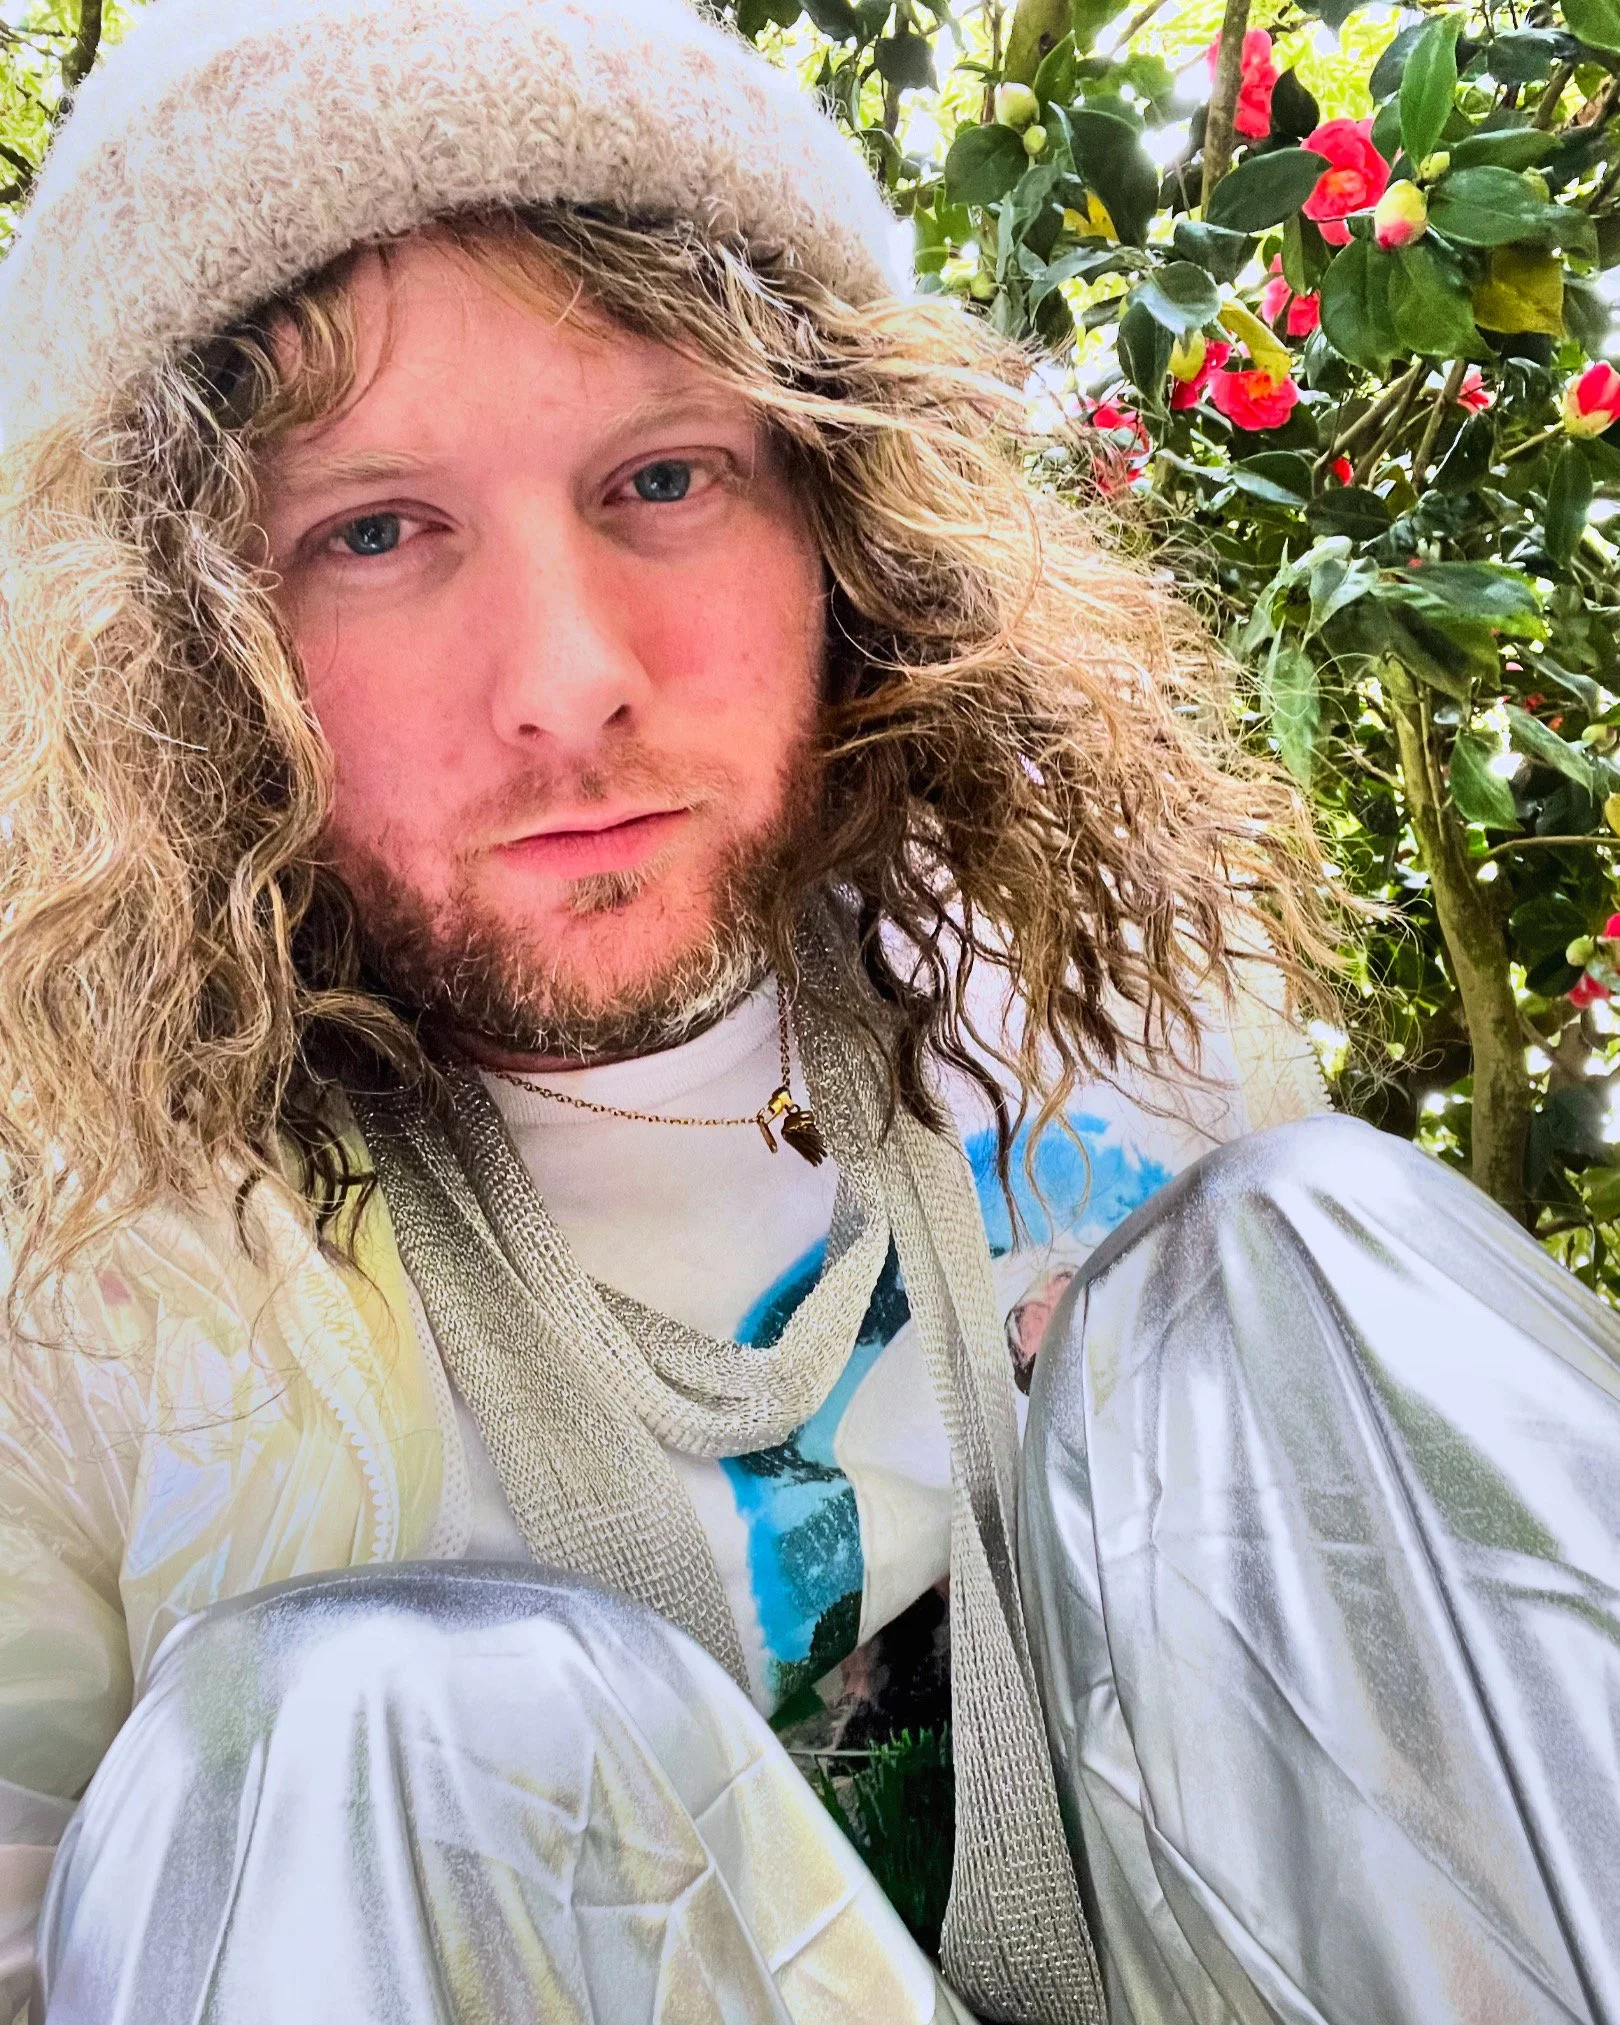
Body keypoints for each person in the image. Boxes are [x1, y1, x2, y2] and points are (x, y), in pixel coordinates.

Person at [0, 0, 1616, 2020]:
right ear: (174, 640)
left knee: (1312, 1260)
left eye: (663, 475)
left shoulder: (1106, 995)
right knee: (376, 1727)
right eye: (377, 532)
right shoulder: (72, 1230)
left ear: (837, 510)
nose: (568, 676)